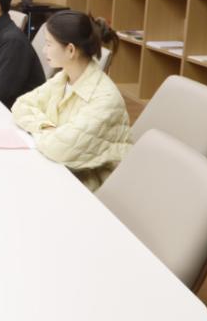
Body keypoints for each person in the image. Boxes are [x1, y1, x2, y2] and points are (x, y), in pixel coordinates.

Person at [11, 11, 132, 191]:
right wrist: (47, 127)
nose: (44, 50)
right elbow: (21, 105)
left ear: (70, 50)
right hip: (60, 170)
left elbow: (58, 149)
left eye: (49, 44)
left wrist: (40, 130)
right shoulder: (64, 77)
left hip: (90, 186)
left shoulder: (105, 99)